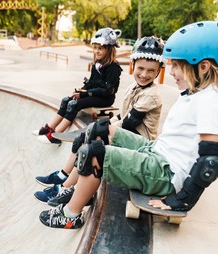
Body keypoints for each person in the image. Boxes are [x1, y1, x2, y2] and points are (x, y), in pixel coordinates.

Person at [38, 21, 218, 229]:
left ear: (203, 66)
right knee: (98, 130)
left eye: (177, 66)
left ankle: (70, 216)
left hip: (165, 172)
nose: (172, 72)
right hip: (156, 152)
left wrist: (181, 199)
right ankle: (72, 190)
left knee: (94, 154)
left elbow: (211, 161)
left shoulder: (209, 101)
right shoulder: (196, 93)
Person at [34, 36, 166, 205]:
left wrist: (97, 129)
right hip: (128, 134)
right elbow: (122, 116)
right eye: (141, 68)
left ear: (158, 71)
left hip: (140, 144)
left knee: (91, 145)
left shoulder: (152, 95)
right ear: (133, 65)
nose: (144, 74)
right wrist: (97, 127)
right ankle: (63, 177)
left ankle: (66, 188)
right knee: (85, 137)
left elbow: (128, 124)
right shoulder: (133, 87)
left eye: (151, 71)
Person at [32, 27, 123, 144]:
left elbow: (107, 90)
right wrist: (81, 91)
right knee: (67, 100)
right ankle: (49, 128)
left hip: (105, 98)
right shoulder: (97, 65)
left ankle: (56, 135)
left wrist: (86, 94)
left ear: (109, 49)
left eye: (100, 48)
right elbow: (91, 83)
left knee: (74, 104)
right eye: (95, 48)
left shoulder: (113, 67)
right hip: (95, 94)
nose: (97, 51)